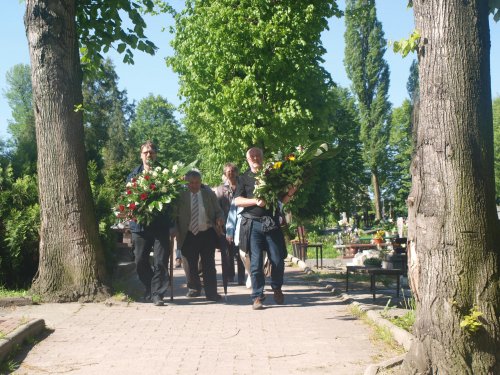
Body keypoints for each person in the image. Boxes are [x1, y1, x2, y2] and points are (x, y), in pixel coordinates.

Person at [234, 147, 296, 310]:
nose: (255, 158)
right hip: (253, 224)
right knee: (255, 262)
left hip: (272, 223)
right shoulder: (243, 178)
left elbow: (282, 200)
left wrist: (290, 193)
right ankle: (257, 296)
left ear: (262, 158)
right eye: (252, 156)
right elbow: (237, 201)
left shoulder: (273, 175)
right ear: (247, 159)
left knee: (277, 259)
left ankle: (276, 288)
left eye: (257, 155)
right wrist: (255, 201)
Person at [127, 140, 170, 307]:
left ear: (156, 154)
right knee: (139, 261)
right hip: (140, 225)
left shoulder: (166, 174)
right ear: (141, 155)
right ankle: (150, 288)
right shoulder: (133, 175)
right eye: (145, 152)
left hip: (161, 225)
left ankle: (157, 294)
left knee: (160, 261)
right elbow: (129, 198)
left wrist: (173, 225)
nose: (149, 155)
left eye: (151, 152)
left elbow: (173, 202)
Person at [175, 170, 225, 301]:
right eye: (191, 183)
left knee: (209, 264)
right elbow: (174, 215)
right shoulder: (180, 196)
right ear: (186, 183)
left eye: (197, 182)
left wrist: (220, 218)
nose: (194, 185)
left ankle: (211, 293)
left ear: (200, 182)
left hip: (206, 232)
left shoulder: (208, 194)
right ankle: (194, 288)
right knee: (189, 264)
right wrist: (173, 229)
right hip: (188, 233)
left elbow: (219, 211)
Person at [214, 163, 245, 285]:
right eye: (228, 171)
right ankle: (229, 275)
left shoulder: (242, 186)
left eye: (232, 171)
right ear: (225, 174)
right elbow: (216, 206)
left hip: (241, 223)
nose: (230, 173)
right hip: (226, 224)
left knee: (241, 251)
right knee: (227, 252)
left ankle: (242, 277)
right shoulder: (220, 189)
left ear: (236, 172)